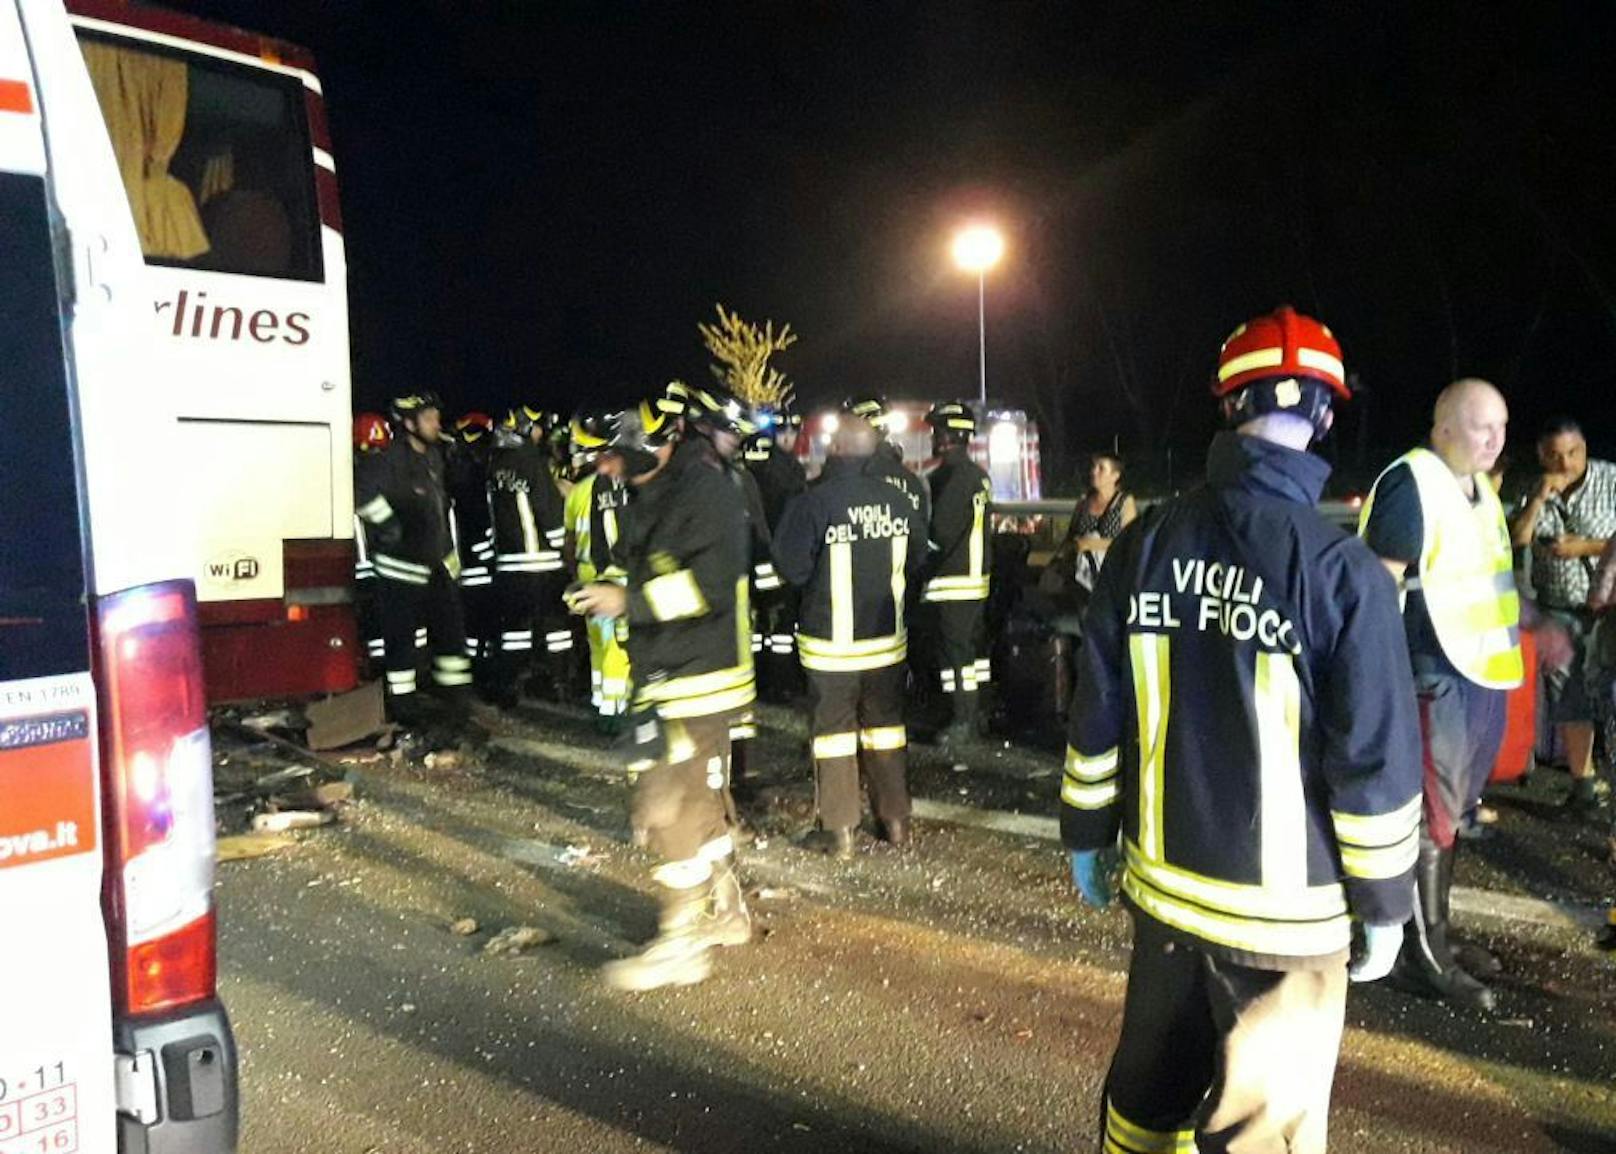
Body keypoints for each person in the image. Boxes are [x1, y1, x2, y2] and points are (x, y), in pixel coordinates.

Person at [1066, 306, 1422, 1152]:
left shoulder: (1145, 543)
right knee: (1267, 1133)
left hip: (1162, 896)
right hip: (1286, 928)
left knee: (1144, 1103)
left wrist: (1086, 833)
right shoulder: (1343, 573)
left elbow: (1098, 711)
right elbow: (1373, 763)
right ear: (1328, 415)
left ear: (1227, 408)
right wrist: (1384, 904)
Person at [1360, 378, 1556, 1013]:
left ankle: (1436, 934)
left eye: (1501, 427)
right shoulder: (1411, 484)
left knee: (1454, 816)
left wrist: (1536, 624)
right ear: (1443, 425)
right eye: (1481, 427)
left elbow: (1490, 579)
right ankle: (1421, 956)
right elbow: (1374, 591)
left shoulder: (1481, 493)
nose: (1497, 440)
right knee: (1429, 818)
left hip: (1478, 675)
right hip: (1428, 673)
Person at [570, 384, 757, 991]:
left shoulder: (705, 490)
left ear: (654, 443)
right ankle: (726, 914)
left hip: (697, 677)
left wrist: (630, 601)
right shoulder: (654, 489)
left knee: (662, 805)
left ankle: (681, 943)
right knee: (698, 804)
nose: (604, 467)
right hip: (669, 671)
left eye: (613, 454)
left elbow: (710, 584)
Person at [772, 415, 926, 856]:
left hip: (831, 646)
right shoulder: (897, 500)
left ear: (837, 449)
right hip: (886, 642)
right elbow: (917, 557)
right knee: (886, 730)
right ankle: (895, 820)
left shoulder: (815, 502)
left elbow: (792, 567)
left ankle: (838, 829)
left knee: (834, 733)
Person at [1510, 416, 1616, 816]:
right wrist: (1538, 499)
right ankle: (1584, 784)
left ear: (1585, 449)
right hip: (1558, 605)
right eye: (1554, 455)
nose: (1566, 463)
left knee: (1608, 693)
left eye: (1573, 453)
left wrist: (1585, 547)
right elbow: (1518, 538)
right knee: (1568, 691)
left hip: (1609, 607)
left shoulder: (1610, 480)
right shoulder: (1533, 487)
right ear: (1542, 455)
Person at [354, 392, 473, 723]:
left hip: (437, 567)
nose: (437, 424)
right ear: (409, 423)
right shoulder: (387, 460)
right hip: (401, 570)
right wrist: (389, 524)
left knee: (452, 637)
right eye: (430, 418)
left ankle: (457, 701)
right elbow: (361, 495)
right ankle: (404, 705)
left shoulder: (435, 458)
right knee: (402, 642)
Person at [486, 405, 570, 707]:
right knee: (555, 627)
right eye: (535, 426)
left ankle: (509, 685)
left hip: (508, 565)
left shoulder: (494, 464)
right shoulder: (530, 460)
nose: (540, 432)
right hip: (542, 564)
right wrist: (566, 549)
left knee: (514, 631)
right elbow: (548, 509)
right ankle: (559, 682)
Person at [921, 401, 994, 748]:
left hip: (953, 579)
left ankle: (962, 719)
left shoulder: (950, 478)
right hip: (976, 576)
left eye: (938, 431)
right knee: (973, 653)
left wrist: (919, 565)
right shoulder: (977, 475)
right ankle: (978, 712)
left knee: (956, 656)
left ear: (950, 435)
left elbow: (939, 533)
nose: (934, 437)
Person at [562, 407, 632, 729]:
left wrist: (573, 576)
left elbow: (569, 541)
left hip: (588, 579)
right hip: (617, 579)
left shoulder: (577, 492)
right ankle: (616, 712)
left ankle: (601, 705)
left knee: (597, 647)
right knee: (618, 649)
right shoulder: (624, 484)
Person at [742, 401, 809, 703]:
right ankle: (781, 683)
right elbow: (793, 516)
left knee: (756, 626)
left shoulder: (751, 462)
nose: (790, 436)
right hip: (777, 557)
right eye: (786, 429)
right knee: (783, 625)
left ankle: (757, 678)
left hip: (750, 555)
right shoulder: (790, 469)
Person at [446, 411, 497, 686]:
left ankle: (476, 671)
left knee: (472, 623)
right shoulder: (476, 475)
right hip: (479, 563)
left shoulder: (454, 469)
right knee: (481, 623)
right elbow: (481, 519)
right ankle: (482, 673)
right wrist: (489, 556)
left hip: (463, 563)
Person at [1047, 452, 1138, 597]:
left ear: (1115, 475)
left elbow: (1130, 541)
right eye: (1094, 467)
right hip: (1078, 576)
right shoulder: (1083, 503)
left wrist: (1091, 544)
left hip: (1110, 576)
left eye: (1101, 468)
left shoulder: (1125, 502)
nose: (1094, 472)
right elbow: (1069, 538)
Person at [351, 412, 392, 677]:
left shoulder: (353, 473)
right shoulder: (391, 470)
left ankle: (378, 668)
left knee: (373, 621)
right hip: (387, 559)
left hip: (361, 564)